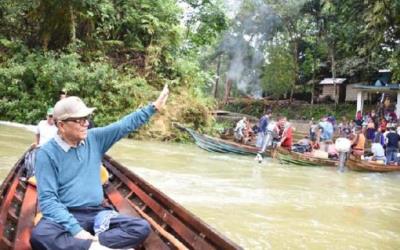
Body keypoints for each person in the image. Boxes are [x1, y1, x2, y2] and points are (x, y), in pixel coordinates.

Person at [30, 85, 169, 250]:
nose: (86, 124)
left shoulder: (94, 139)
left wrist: (152, 108)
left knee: (140, 227)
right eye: (79, 120)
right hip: (65, 214)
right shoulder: (46, 154)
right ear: (61, 125)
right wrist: (77, 231)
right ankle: (95, 247)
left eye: (86, 119)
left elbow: (123, 126)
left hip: (97, 214)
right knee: (40, 237)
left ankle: (88, 246)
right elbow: (48, 201)